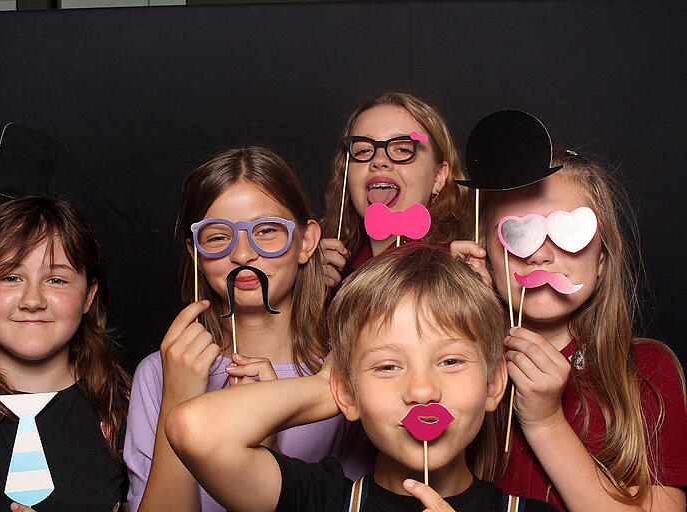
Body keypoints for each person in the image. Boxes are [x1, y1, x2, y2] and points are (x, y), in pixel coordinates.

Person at [165, 244, 558, 512]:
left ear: (493, 384)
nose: (422, 390)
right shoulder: (323, 502)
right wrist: (330, 387)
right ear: (347, 392)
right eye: (388, 367)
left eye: (451, 361)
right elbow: (194, 429)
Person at [124, 146, 375, 512]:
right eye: (217, 236)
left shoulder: (344, 375)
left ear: (305, 242)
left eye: (267, 231)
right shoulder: (160, 373)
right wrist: (179, 398)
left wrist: (267, 443)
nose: (242, 255)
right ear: (196, 253)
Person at [457, 150, 687, 511]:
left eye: (568, 232)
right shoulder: (454, 362)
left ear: (603, 257)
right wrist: (446, 302)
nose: (541, 256)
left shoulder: (647, 371)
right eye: (518, 234)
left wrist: (545, 422)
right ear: (482, 252)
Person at [0, 196, 130, 511]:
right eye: (10, 277)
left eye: (56, 279)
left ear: (89, 296)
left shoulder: (129, 408)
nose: (32, 300)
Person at [319, 92, 470, 290]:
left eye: (404, 150)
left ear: (438, 177)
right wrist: (308, 298)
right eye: (363, 150)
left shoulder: (455, 279)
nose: (379, 161)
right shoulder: (334, 275)